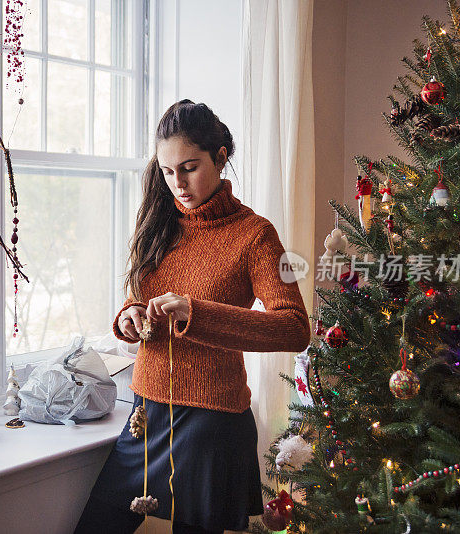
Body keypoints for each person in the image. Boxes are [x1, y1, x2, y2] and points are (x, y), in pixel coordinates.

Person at [73, 100, 310, 534]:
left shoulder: (256, 235)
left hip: (211, 423)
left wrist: (194, 313)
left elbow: (295, 327)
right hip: (146, 413)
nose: (177, 183)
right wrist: (129, 316)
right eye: (167, 171)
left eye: (189, 167)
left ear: (221, 157)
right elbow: (137, 299)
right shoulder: (158, 221)